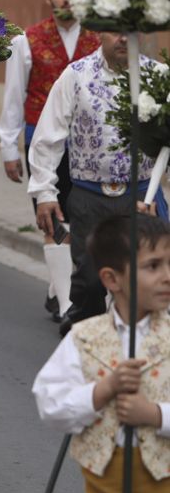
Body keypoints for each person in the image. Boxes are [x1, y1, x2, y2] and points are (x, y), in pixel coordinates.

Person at [32, 214, 170, 493]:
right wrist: (101, 391)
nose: (167, 276)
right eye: (153, 266)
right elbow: (50, 404)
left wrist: (155, 415)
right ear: (111, 279)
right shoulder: (85, 339)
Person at [29, 32, 164, 330]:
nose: (122, 38)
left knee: (141, 282)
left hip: (141, 198)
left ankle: (134, 355)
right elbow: (47, 137)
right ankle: (84, 331)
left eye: (130, 30)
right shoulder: (76, 75)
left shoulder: (159, 77)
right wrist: (45, 192)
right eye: (115, 29)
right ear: (100, 32)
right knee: (90, 282)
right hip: (90, 199)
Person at [0, 0, 101, 324]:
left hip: (90, 146)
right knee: (52, 219)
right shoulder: (27, 40)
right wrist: (9, 148)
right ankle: (65, 306)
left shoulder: (100, 39)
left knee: (83, 221)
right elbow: (13, 97)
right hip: (42, 143)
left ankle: (58, 287)